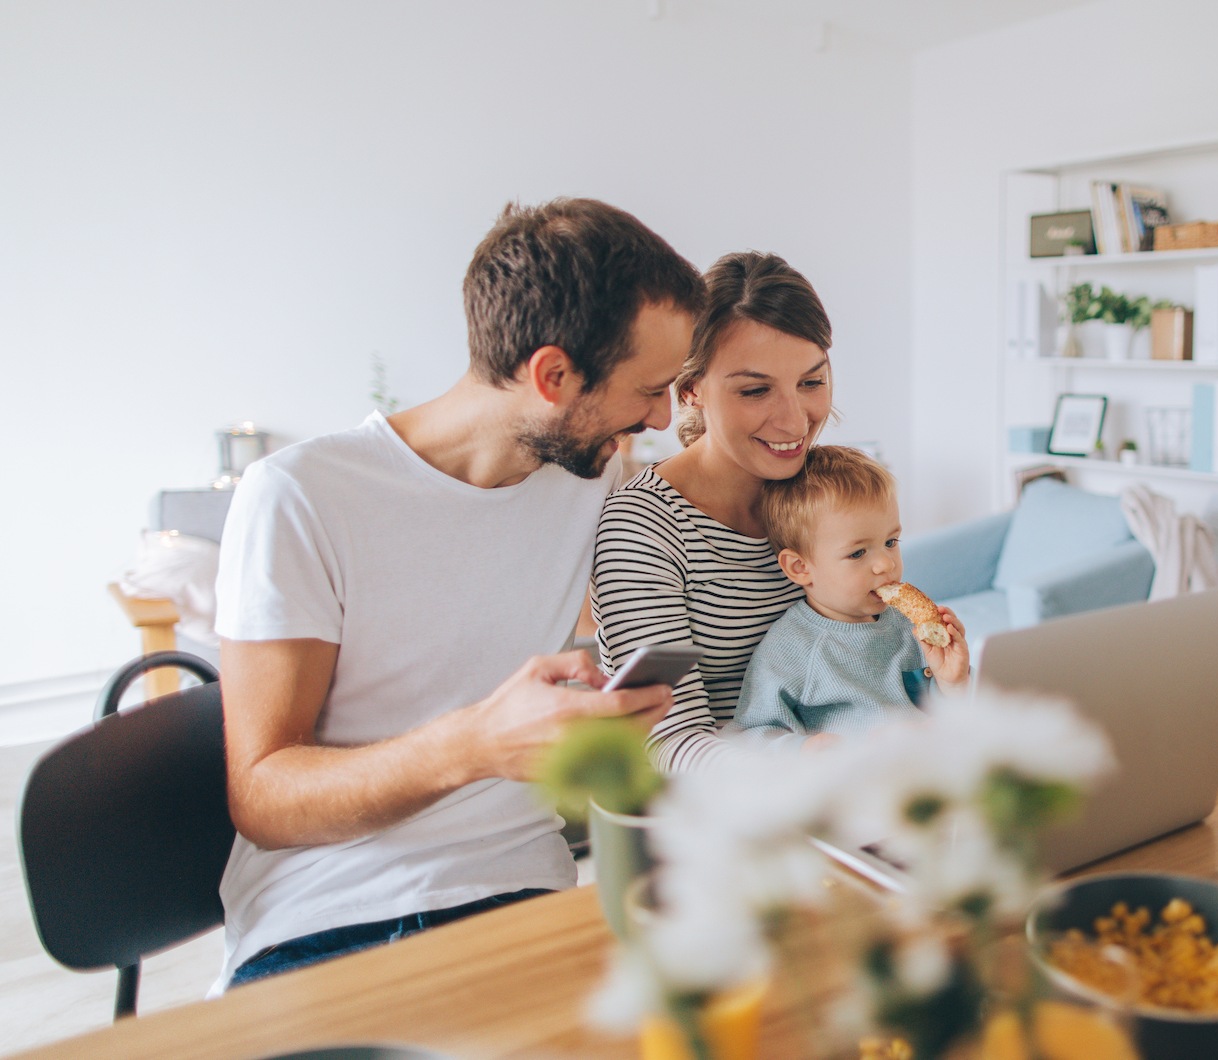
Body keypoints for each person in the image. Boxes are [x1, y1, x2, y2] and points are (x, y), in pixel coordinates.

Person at [213, 198, 705, 988]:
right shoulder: (302, 495)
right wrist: (475, 745)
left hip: (526, 902)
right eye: (649, 389)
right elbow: (263, 797)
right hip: (332, 919)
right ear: (553, 376)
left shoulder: (594, 478)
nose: (660, 416)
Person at [591, 251, 833, 773]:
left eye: (811, 383)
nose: (795, 422)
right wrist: (804, 767)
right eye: (755, 390)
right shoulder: (644, 528)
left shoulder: (827, 493)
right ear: (692, 390)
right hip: (722, 815)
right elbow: (669, 742)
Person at [731, 445, 969, 752]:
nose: (886, 564)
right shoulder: (792, 648)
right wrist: (803, 750)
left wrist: (952, 683)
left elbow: (952, 719)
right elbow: (748, 735)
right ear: (800, 567)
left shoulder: (907, 626)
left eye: (890, 542)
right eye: (857, 553)